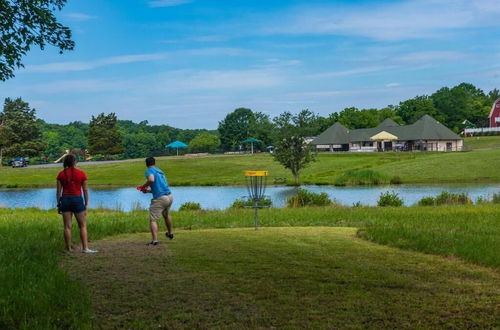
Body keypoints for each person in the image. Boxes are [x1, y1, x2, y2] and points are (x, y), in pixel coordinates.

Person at [56, 154, 97, 253]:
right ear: (75, 162)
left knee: (67, 226)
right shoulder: (81, 173)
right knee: (82, 225)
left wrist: (59, 205)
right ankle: (85, 248)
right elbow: (85, 190)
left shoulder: (61, 174)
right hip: (77, 200)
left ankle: (69, 248)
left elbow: (58, 192)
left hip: (65, 200)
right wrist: (86, 204)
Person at [140, 157, 174, 245]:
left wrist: (143, 186)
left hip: (161, 198)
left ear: (146, 164)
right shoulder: (160, 171)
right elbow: (160, 186)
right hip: (169, 196)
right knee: (166, 215)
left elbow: (151, 180)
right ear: (155, 163)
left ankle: (155, 241)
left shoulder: (149, 170)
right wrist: (147, 191)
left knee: (153, 219)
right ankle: (170, 233)